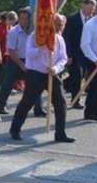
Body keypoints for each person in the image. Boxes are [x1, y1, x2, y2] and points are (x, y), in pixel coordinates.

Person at [9, 14, 75, 143]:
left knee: (60, 102)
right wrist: (43, 48)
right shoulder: (35, 36)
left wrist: (56, 68)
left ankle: (60, 133)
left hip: (51, 73)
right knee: (27, 102)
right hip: (36, 73)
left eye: (62, 24)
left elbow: (63, 58)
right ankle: (15, 130)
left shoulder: (59, 39)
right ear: (50, 23)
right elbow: (29, 54)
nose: (60, 27)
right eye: (57, 24)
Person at [0, 7, 44, 117]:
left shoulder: (34, 31)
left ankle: (38, 109)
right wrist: (21, 65)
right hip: (15, 59)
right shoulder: (13, 32)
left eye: (27, 18)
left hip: (30, 59)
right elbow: (11, 51)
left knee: (36, 84)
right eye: (22, 18)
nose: (25, 21)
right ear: (19, 19)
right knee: (7, 83)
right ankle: (1, 106)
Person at [64, 0, 96, 107]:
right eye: (89, 9)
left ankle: (66, 84)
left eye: (93, 9)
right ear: (83, 6)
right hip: (75, 53)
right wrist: (68, 55)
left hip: (88, 53)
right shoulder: (72, 19)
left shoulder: (93, 20)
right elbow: (67, 38)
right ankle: (75, 100)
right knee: (78, 75)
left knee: (82, 75)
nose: (91, 11)